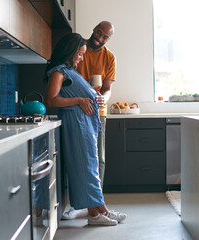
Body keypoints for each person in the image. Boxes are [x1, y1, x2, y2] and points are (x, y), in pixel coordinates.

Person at [44, 33, 126, 226]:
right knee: (87, 168)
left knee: (88, 167)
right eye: (80, 54)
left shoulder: (68, 70)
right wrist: (80, 100)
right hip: (77, 125)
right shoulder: (58, 72)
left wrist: (93, 96)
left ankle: (96, 212)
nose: (81, 58)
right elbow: (51, 100)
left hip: (84, 125)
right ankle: (99, 212)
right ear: (70, 51)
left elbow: (77, 92)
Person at [62, 21, 116, 220]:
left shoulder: (109, 57)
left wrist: (104, 98)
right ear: (93, 29)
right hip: (75, 112)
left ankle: (94, 204)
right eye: (98, 33)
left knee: (98, 160)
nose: (99, 38)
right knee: (77, 158)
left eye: (104, 37)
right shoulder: (77, 49)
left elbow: (108, 88)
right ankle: (79, 204)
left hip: (98, 114)